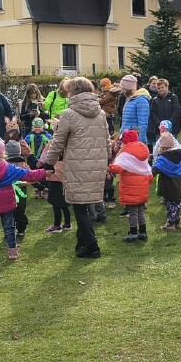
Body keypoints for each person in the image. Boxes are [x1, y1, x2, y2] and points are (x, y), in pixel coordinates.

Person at [42, 78, 110, 258]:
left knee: (79, 206)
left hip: (77, 165)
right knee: (84, 204)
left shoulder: (69, 114)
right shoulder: (101, 113)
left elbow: (58, 142)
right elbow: (107, 140)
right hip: (97, 163)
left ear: (74, 92)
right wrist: (106, 161)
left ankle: (92, 245)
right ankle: (82, 242)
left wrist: (49, 163)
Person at [111, 129, 153, 243]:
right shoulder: (142, 152)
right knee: (141, 211)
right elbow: (148, 172)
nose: (121, 145)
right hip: (142, 188)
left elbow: (118, 168)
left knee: (133, 212)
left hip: (130, 189)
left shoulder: (126, 154)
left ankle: (133, 233)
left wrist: (109, 167)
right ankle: (143, 232)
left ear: (126, 142)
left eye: (122, 143)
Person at [153, 125, 181, 230]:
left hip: (168, 186)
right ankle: (177, 222)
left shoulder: (162, 159)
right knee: (176, 204)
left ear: (163, 148)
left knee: (171, 206)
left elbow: (155, 169)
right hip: (178, 186)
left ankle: (171, 224)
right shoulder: (178, 157)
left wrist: (149, 175)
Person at [148, 78, 181, 146]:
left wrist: (169, 123)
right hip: (159, 130)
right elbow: (153, 114)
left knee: (172, 148)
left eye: (162, 87)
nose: (160, 89)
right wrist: (159, 124)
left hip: (173, 129)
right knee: (160, 148)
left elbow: (176, 111)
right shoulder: (154, 100)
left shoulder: (173, 97)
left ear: (167, 87)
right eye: (158, 88)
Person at [118, 74, 150, 140]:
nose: (122, 91)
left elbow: (143, 125)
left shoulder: (141, 100)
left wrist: (139, 142)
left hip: (134, 139)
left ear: (128, 89)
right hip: (126, 138)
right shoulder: (130, 99)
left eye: (123, 88)